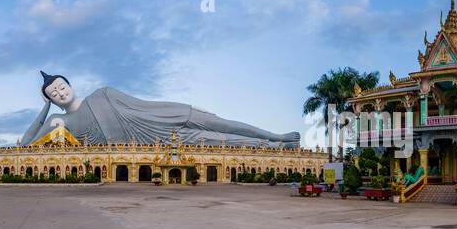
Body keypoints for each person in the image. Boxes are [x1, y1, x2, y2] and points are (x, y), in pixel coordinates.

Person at [20, 71, 301, 148]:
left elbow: (142, 104)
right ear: (52, 100)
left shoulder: (102, 93)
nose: (59, 92)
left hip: (157, 116)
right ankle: (276, 147)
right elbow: (25, 144)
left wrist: (182, 107)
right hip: (150, 141)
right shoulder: (61, 121)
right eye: (53, 94)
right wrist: (43, 110)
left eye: (60, 86)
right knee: (222, 142)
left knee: (221, 123)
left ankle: (276, 136)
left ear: (69, 83)